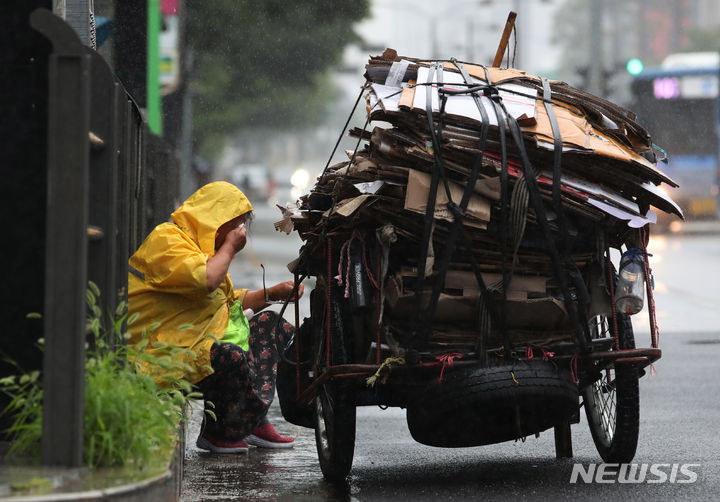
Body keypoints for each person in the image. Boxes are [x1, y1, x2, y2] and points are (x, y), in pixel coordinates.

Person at [127, 181, 304, 454]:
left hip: (197, 340)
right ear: (212, 218)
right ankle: (219, 431)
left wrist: (274, 293)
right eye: (235, 225)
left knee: (273, 327)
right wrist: (229, 248)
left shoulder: (204, 249)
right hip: (167, 351)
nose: (239, 233)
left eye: (242, 226)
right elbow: (207, 281)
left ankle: (252, 419)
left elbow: (228, 303)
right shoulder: (168, 240)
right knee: (230, 355)